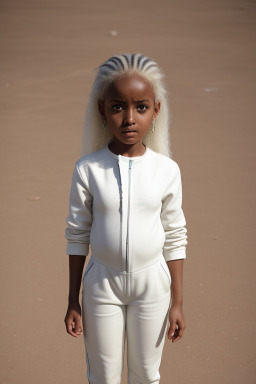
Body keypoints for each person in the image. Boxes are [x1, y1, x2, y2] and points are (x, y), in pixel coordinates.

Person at [64, 53, 188, 384]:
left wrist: (177, 301)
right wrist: (72, 300)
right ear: (102, 110)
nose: (129, 118)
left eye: (141, 107)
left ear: (156, 110)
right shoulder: (87, 169)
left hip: (153, 286)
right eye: (118, 106)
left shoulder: (166, 170)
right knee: (103, 376)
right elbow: (77, 234)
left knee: (146, 374)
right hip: (101, 285)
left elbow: (175, 234)